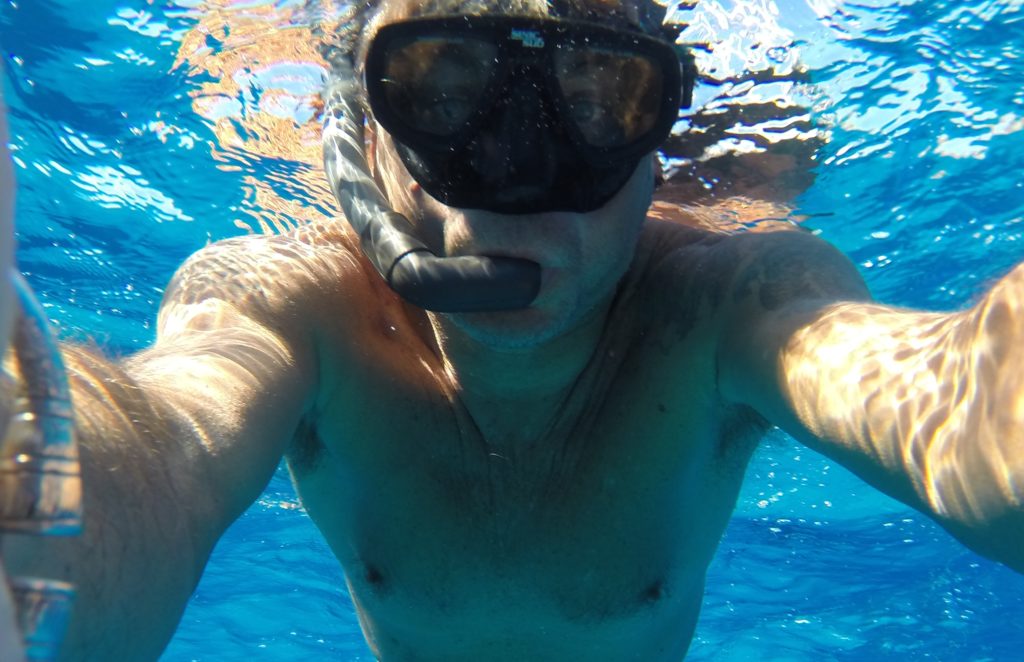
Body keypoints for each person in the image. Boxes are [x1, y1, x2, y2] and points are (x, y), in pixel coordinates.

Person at [1, 0, 1023, 659]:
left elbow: (939, 400)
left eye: (598, 101)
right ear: (363, 134)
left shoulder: (719, 306)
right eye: (443, 93)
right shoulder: (301, 306)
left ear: (656, 143)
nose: (517, 185)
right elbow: (173, 433)